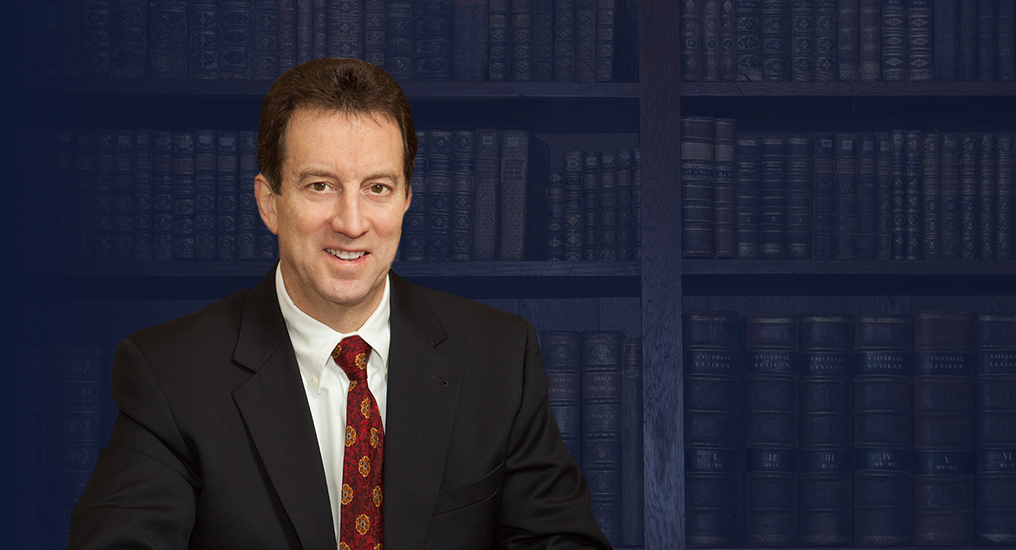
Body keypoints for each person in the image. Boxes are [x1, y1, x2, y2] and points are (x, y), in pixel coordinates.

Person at [68, 58, 614, 550]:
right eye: (321, 185)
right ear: (269, 202)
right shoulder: (170, 374)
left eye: (376, 187)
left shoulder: (499, 358)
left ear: (405, 199)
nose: (352, 223)